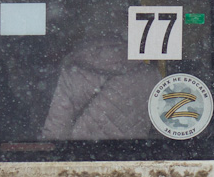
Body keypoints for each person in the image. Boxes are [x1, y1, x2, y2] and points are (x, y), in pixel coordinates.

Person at [40, 10, 159, 141]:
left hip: (82, 157)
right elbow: (164, 130)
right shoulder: (150, 75)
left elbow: (57, 130)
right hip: (135, 157)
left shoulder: (73, 72)